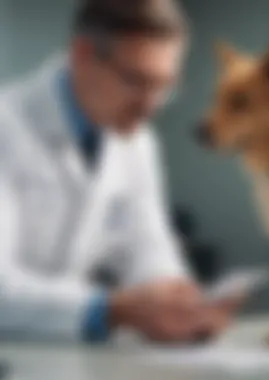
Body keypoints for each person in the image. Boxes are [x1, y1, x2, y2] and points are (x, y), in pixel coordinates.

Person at [0, 0, 241, 343]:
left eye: (165, 85)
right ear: (82, 54)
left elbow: (147, 244)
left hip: (60, 352)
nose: (151, 105)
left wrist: (179, 301)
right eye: (137, 80)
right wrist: (111, 309)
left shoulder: (136, 140)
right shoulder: (6, 125)